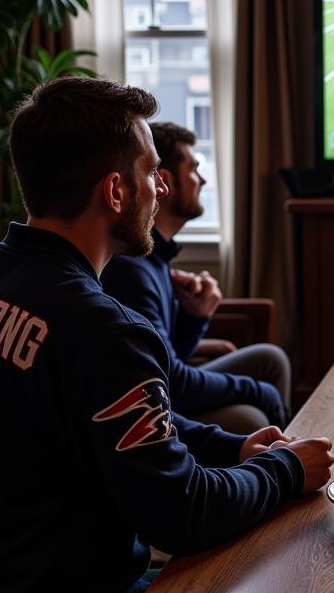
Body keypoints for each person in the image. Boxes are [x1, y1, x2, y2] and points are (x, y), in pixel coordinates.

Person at [0, 77, 334, 593]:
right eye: (149, 172)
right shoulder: (105, 327)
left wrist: (235, 443)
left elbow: (112, 422)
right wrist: (283, 468)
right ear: (114, 192)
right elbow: (182, 513)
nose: (161, 189)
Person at [103, 123, 291, 435]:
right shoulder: (133, 267)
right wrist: (257, 391)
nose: (202, 180)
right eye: (193, 169)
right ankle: (284, 465)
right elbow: (169, 378)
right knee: (252, 416)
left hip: (168, 383)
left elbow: (168, 351)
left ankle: (286, 453)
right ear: (164, 180)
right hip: (157, 401)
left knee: (270, 359)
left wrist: (195, 316)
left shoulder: (156, 256)